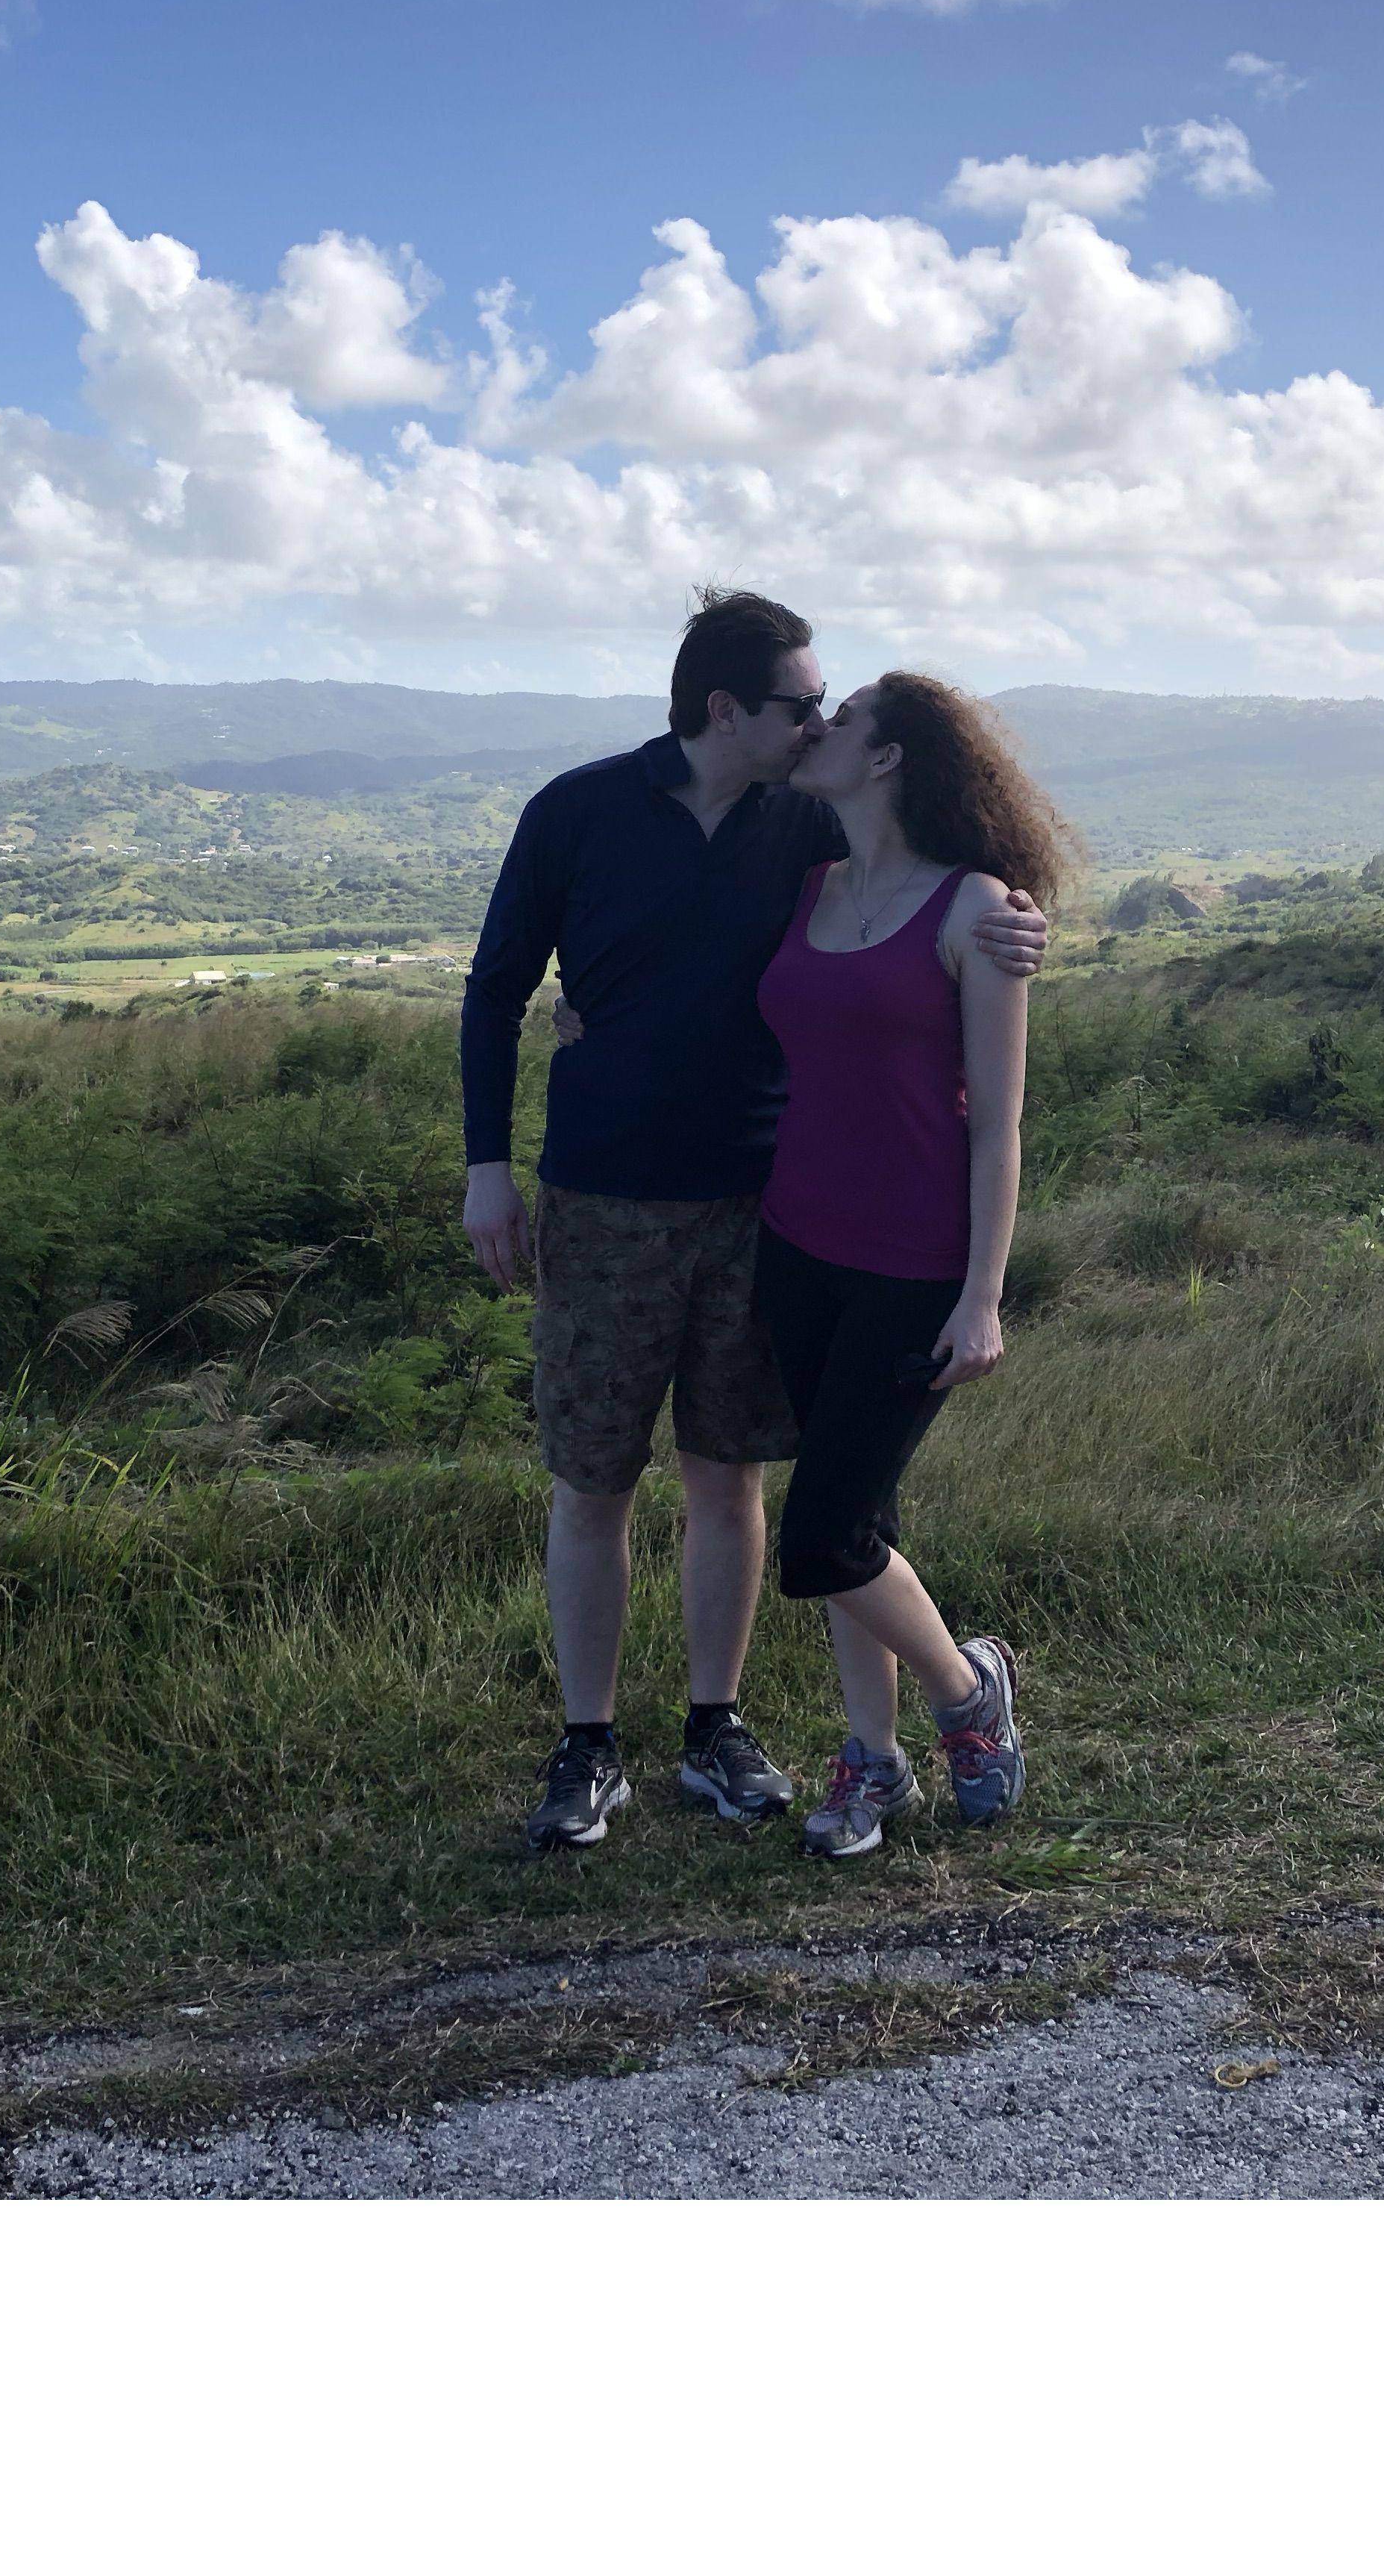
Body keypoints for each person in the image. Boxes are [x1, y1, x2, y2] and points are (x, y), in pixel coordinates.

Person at [460, 590, 1046, 1851]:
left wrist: (1013, 916)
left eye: (833, 708)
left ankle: (716, 1729)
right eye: (801, 703)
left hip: (765, 1210)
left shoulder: (807, 826)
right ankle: (587, 1745)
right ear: (727, 710)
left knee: (730, 1477)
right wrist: (485, 1166)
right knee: (591, 1479)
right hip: (606, 1196)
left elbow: (943, 893)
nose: (819, 720)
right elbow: (502, 986)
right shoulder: (579, 812)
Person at [750, 673, 1071, 1857]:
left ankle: (964, 1693)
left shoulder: (977, 910)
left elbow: (999, 1122)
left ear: (888, 760)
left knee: (823, 1534)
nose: (817, 730)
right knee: (864, 1518)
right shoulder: (811, 884)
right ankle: (871, 1762)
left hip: (913, 1263)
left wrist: (984, 1293)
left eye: (841, 722)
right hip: (797, 1245)